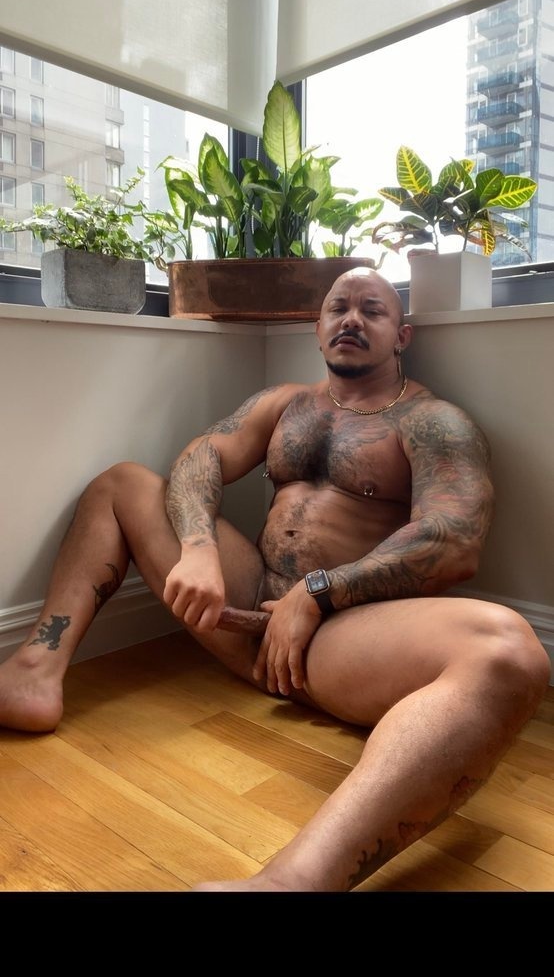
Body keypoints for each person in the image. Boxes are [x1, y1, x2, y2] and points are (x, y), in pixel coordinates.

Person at [0, 267, 549, 892]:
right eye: (338, 307)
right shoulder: (286, 404)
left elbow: (452, 539)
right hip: (245, 610)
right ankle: (33, 673)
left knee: (508, 651)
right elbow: (202, 456)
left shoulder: (432, 421)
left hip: (340, 637)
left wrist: (316, 595)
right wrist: (199, 548)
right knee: (122, 483)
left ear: (402, 335)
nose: (351, 319)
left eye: (373, 310)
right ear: (317, 328)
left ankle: (291, 883)